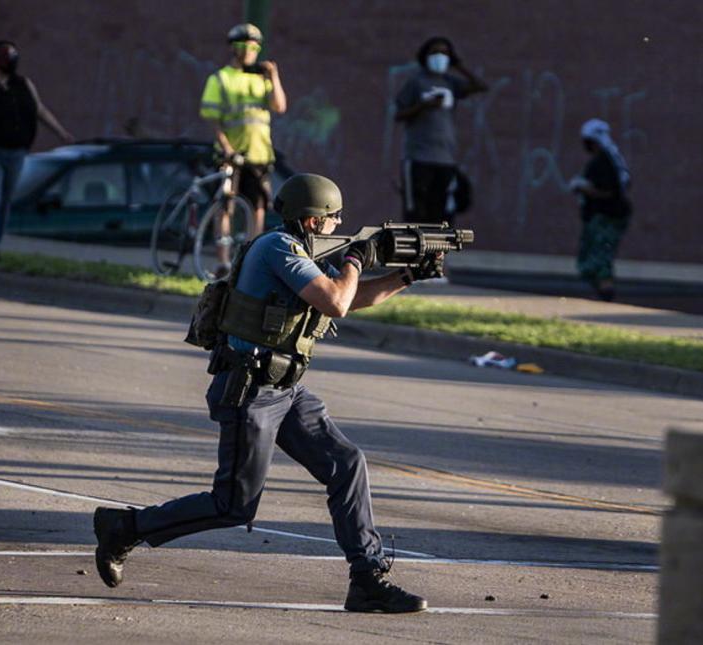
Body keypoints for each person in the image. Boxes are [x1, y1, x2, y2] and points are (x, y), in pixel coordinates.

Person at [94, 173, 445, 613]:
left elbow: (348, 299)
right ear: (313, 221)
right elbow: (335, 300)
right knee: (233, 505)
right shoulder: (279, 248)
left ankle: (367, 578)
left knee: (347, 465)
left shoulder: (300, 250)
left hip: (287, 389)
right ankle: (126, 527)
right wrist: (357, 258)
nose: (340, 224)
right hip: (250, 390)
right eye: (335, 217)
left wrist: (406, 276)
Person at [0, 40, 74, 263]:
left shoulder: (23, 84)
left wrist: (61, 132)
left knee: (5, 199)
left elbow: (39, 109)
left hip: (16, 152)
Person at [199, 23, 287, 276]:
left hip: (258, 154)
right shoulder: (221, 78)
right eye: (243, 46)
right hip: (230, 154)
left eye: (253, 47)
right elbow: (212, 118)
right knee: (225, 206)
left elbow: (279, 106)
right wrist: (225, 146)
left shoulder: (261, 79)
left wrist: (274, 77)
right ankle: (223, 261)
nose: (248, 52)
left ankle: (252, 258)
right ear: (233, 48)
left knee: (257, 206)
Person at [394, 36, 486, 224]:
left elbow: (481, 86)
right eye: (435, 52)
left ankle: (435, 249)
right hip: (419, 156)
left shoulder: (450, 82)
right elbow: (399, 114)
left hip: (445, 157)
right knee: (417, 208)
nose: (440, 56)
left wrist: (458, 65)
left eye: (445, 53)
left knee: (441, 207)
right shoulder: (417, 82)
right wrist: (424, 106)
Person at [568, 119, 632, 301]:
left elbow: (608, 191)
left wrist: (583, 187)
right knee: (587, 262)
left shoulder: (605, 162)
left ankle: (606, 294)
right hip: (598, 216)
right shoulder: (604, 160)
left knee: (600, 258)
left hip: (608, 216)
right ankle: (602, 292)